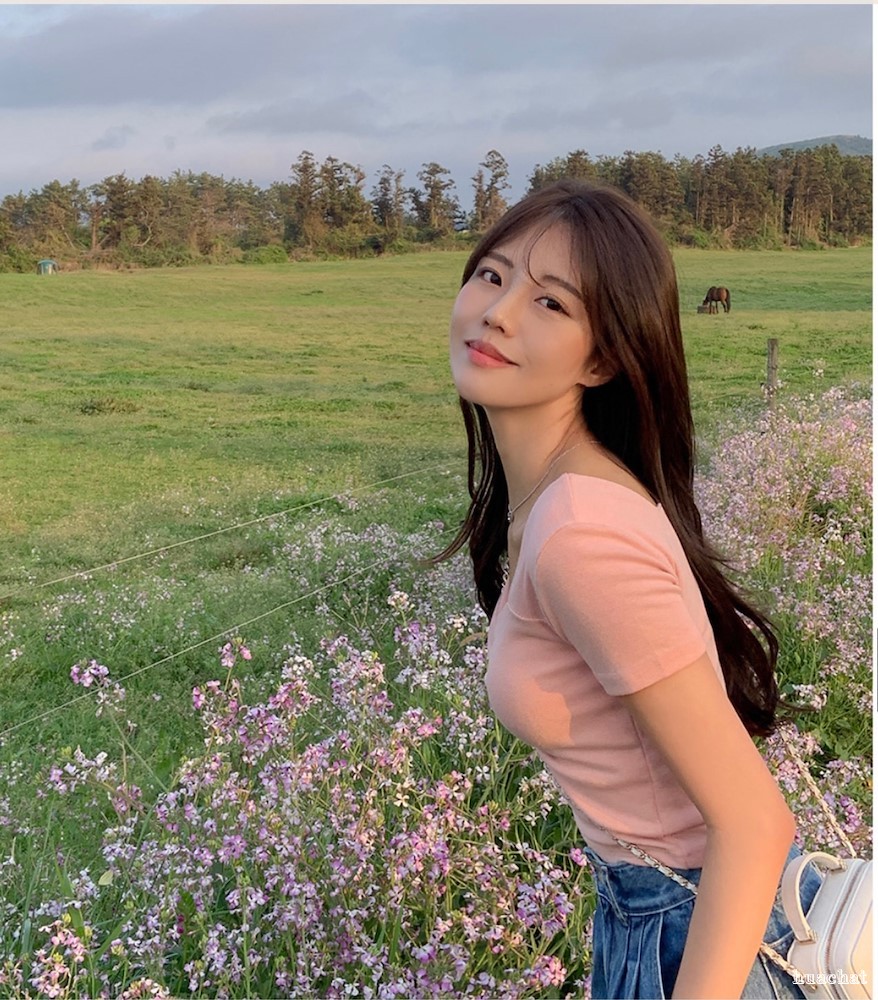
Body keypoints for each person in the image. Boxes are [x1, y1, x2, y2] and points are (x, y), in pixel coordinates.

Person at [438, 180, 819, 999]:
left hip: (711, 931)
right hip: (660, 908)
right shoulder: (561, 496)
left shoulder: (579, 534)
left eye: (550, 302)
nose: (498, 313)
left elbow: (754, 823)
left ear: (603, 358)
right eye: (493, 276)